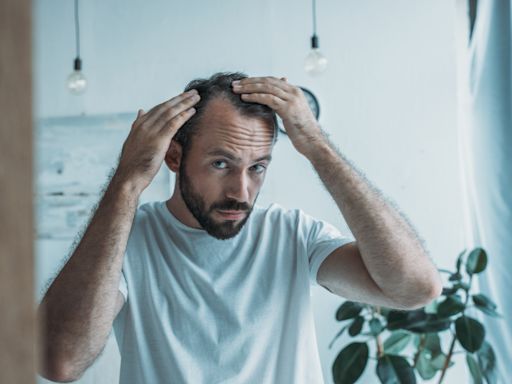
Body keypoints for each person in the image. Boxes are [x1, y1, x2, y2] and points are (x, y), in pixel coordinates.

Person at [38, 72, 442, 383]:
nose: (241, 191)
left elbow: (414, 289)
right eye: (221, 164)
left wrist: (317, 146)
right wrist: (127, 181)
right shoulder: (128, 240)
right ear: (174, 157)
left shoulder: (294, 234)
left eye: (257, 167)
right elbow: (59, 360)